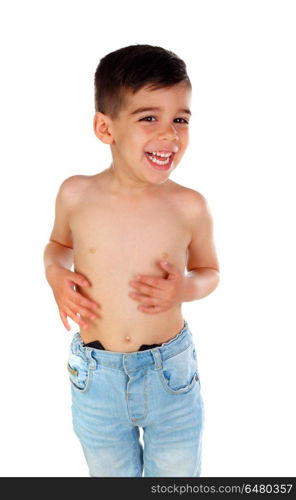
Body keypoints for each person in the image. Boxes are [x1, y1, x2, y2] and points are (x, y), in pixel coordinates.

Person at [43, 44, 220, 477]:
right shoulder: (77, 193)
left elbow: (209, 272)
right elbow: (57, 245)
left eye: (180, 119)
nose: (170, 134)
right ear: (106, 128)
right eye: (149, 118)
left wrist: (183, 288)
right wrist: (54, 274)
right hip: (95, 373)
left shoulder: (188, 206)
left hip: (169, 375)